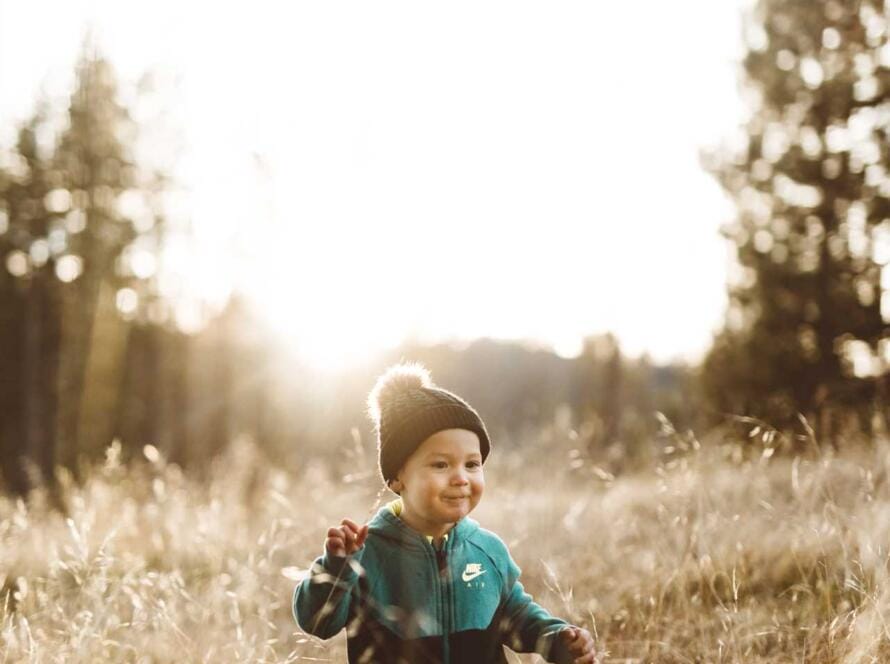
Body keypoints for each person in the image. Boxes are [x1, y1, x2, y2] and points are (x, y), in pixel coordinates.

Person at [293, 362, 600, 663]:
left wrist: (557, 639)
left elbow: (515, 614)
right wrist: (337, 568)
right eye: (441, 464)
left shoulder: (487, 550)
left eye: (472, 464)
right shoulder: (367, 554)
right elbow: (317, 623)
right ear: (397, 477)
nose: (461, 478)